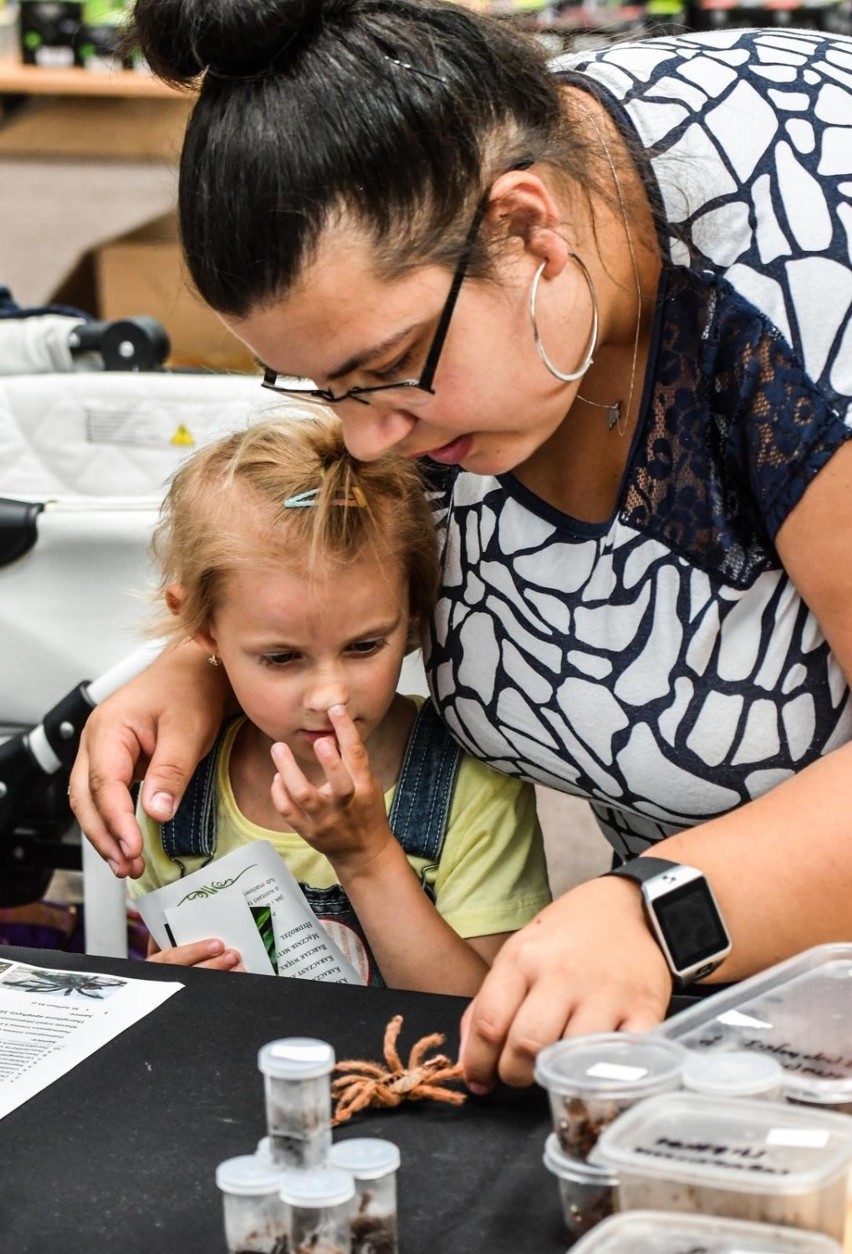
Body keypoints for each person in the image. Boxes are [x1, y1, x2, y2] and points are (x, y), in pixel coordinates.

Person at [69, 0, 852, 1089]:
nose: (369, 437)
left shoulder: (808, 283)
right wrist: (204, 662)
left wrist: (660, 911)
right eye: (325, 387)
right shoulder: (454, 313)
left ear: (530, 230)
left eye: (387, 368)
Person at [129, 412, 550, 993]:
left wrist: (368, 858)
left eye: (364, 646)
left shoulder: (476, 784)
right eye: (282, 658)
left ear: (414, 615)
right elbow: (169, 958)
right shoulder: (177, 793)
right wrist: (169, 988)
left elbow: (477, 1018)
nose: (330, 696)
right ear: (203, 631)